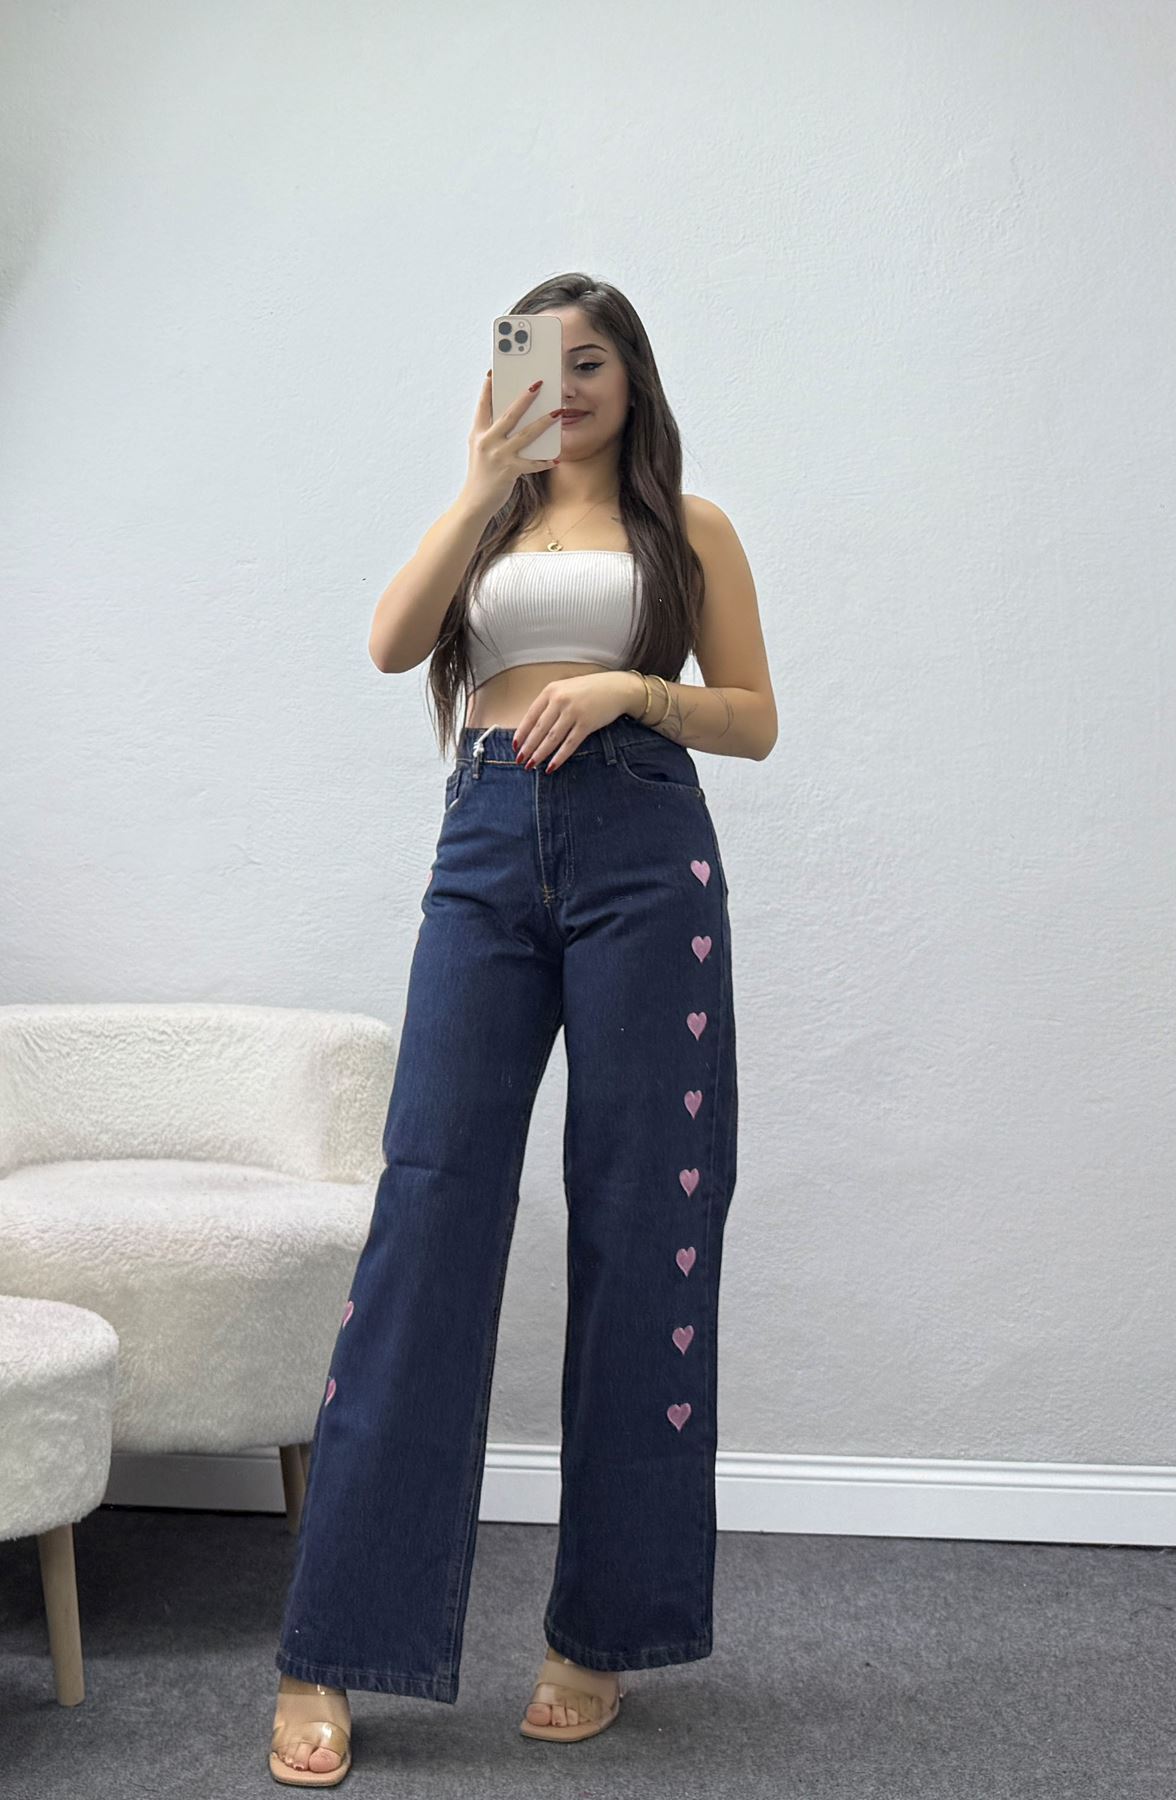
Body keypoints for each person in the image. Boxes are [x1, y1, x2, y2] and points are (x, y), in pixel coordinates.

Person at [268, 273, 777, 1785]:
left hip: (645, 849)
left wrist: (631, 690)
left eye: (594, 358)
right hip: (487, 848)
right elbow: (389, 644)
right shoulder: (485, 527)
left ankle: (597, 1634)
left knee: (642, 1219)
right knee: (426, 1211)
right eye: (541, 359)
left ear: (634, 377)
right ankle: (332, 1644)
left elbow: (753, 716)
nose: (570, 383)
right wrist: (477, 480)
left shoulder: (691, 530)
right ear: (507, 379)